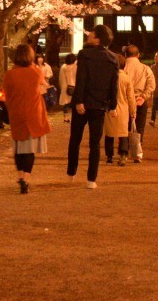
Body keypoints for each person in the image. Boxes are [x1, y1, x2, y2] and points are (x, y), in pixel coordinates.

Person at [66, 25, 120, 189]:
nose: (89, 34)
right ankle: (91, 179)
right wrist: (113, 105)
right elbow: (114, 83)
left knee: (75, 138)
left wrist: (79, 100)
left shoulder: (85, 54)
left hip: (83, 102)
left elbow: (82, 78)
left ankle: (71, 172)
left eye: (92, 33)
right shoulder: (113, 58)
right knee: (95, 143)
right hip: (100, 104)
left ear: (97, 38)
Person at [4, 43, 51, 194]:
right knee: (30, 150)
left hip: (17, 112)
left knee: (18, 149)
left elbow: (7, 93)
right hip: (33, 113)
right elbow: (43, 85)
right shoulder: (36, 72)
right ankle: (26, 178)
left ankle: (19, 176)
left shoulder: (10, 74)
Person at [123, 45, 155, 163]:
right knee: (139, 126)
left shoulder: (122, 67)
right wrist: (143, 97)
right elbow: (151, 85)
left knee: (125, 126)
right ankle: (137, 152)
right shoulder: (145, 68)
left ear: (126, 55)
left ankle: (124, 152)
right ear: (138, 55)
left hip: (125, 101)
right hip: (140, 100)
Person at [103, 53, 135, 167]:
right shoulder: (126, 78)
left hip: (110, 108)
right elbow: (130, 97)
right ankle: (123, 155)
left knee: (109, 133)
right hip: (123, 108)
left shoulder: (107, 76)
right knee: (123, 133)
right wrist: (133, 111)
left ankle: (109, 157)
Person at [58, 54, 78, 123]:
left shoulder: (64, 67)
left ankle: (66, 118)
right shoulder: (76, 66)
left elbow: (61, 78)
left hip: (67, 87)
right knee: (76, 103)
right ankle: (76, 118)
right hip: (75, 86)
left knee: (66, 103)